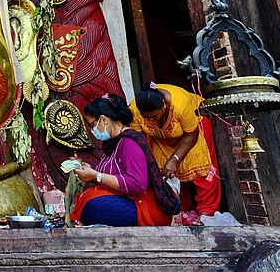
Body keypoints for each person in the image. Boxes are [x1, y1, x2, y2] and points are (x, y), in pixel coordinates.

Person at [70, 94, 180, 226]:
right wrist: (88, 168)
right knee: (87, 200)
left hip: (145, 207)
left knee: (92, 206)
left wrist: (96, 176)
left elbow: (137, 184)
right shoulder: (113, 142)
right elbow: (112, 170)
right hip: (131, 200)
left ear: (104, 120)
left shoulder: (129, 142)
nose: (92, 130)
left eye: (92, 125)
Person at [130, 82, 221, 218]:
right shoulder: (135, 109)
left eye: (154, 116)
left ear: (164, 105)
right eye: (146, 118)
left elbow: (192, 134)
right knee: (166, 171)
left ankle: (207, 212)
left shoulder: (180, 104)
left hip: (194, 128)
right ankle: (182, 209)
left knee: (200, 166)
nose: (151, 120)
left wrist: (175, 158)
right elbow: (140, 139)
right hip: (159, 136)